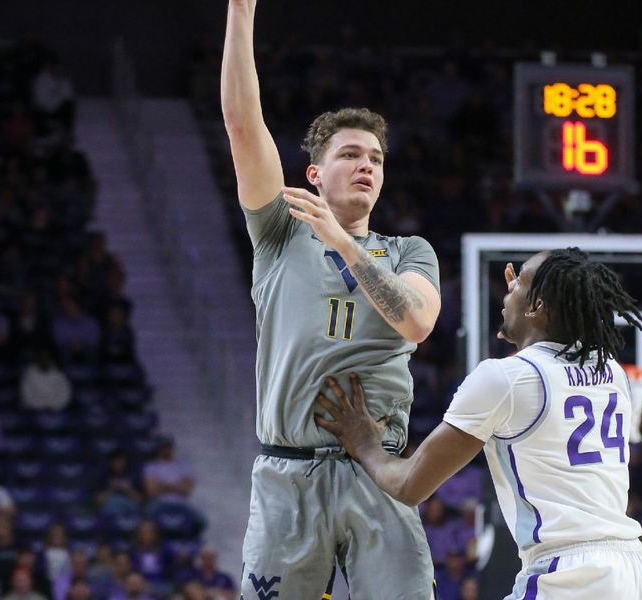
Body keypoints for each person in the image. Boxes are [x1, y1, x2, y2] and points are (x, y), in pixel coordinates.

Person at [221, 1, 441, 597]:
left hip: (380, 471)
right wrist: (241, 12)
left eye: (375, 158)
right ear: (313, 174)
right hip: (288, 471)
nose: (366, 165)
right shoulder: (279, 232)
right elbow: (243, 125)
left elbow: (417, 321)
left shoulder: (409, 250)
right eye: (349, 154)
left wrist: (344, 242)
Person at [317, 248, 642, 599]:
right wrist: (525, 320)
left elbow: (410, 485)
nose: (507, 289)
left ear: (538, 307)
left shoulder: (506, 379)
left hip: (571, 575)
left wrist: (365, 444)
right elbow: (547, 356)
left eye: (517, 285)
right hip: (639, 570)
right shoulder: (612, 371)